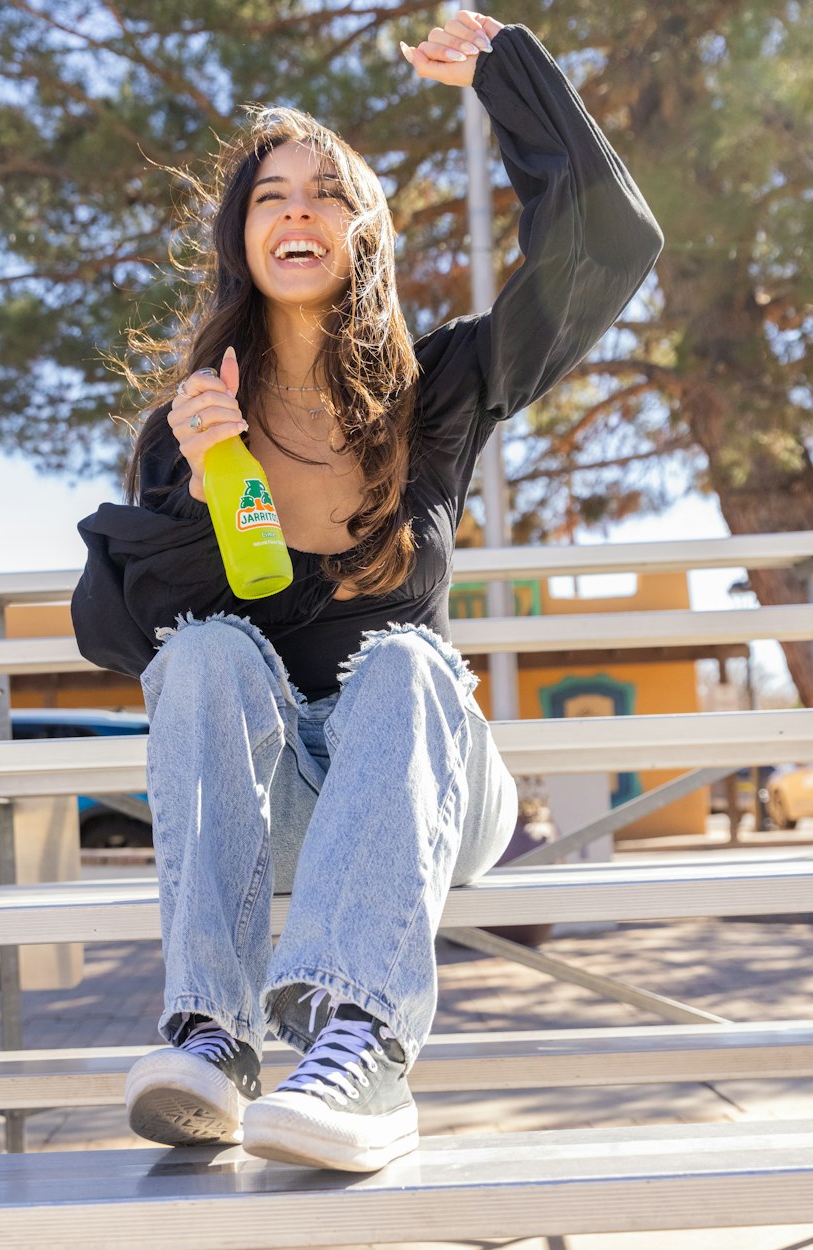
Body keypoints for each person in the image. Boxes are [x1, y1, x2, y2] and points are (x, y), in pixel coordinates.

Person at [72, 10, 663, 1172]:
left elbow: (613, 245)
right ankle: (211, 1037)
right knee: (198, 654)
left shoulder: (447, 384)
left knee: (397, 659)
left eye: (328, 189)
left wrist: (509, 72)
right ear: (242, 237)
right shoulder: (190, 424)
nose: (297, 207)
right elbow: (119, 637)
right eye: (269, 193)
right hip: (287, 798)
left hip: (433, 781)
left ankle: (365, 1047)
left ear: (367, 232)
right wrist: (197, 493)